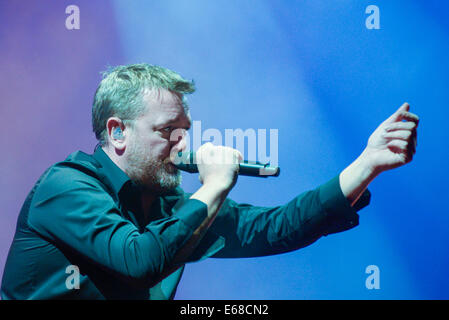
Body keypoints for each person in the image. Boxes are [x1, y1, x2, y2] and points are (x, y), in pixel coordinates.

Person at [0, 64, 419, 300]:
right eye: (168, 131)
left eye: (186, 131)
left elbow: (277, 227)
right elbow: (139, 260)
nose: (183, 144)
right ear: (117, 133)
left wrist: (367, 164)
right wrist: (214, 187)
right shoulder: (66, 188)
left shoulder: (168, 205)